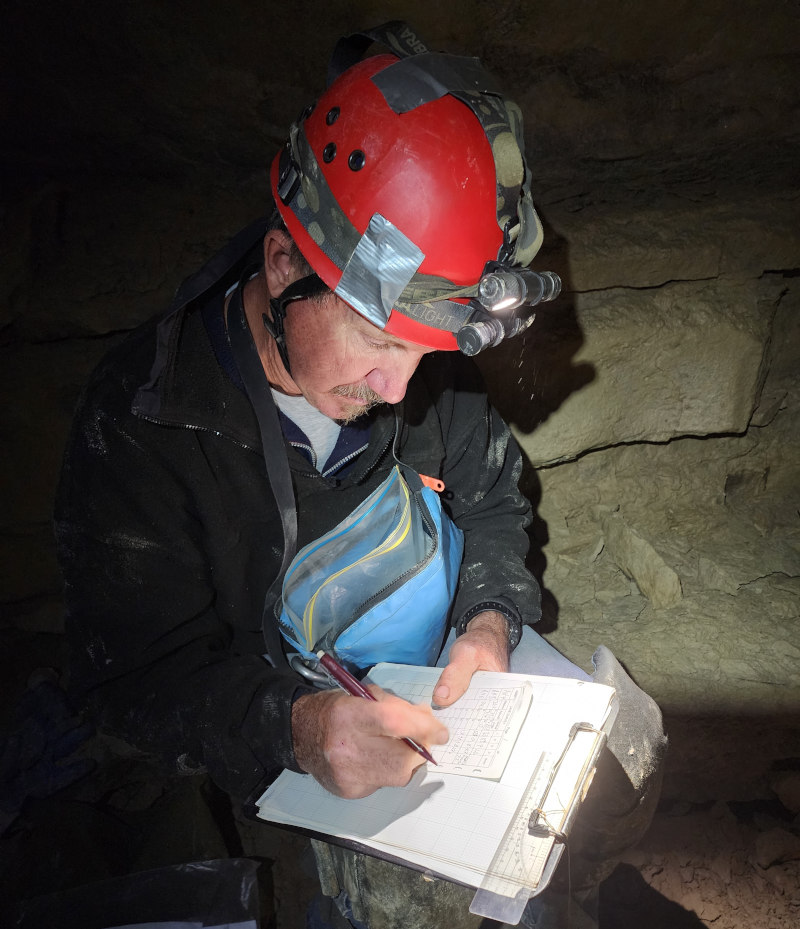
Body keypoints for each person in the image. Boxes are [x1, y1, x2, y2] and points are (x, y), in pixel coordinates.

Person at [55, 22, 666, 929]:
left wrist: (490, 621)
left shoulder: (413, 352)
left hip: (454, 696)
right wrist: (294, 729)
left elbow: (496, 497)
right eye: (379, 343)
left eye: (422, 353)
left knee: (617, 769)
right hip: (309, 730)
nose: (397, 388)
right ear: (283, 264)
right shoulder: (147, 425)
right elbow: (135, 680)